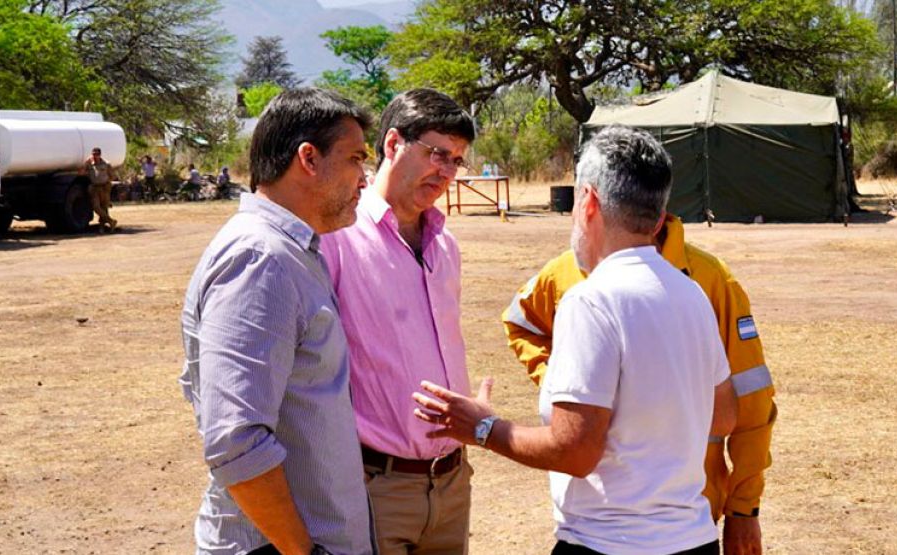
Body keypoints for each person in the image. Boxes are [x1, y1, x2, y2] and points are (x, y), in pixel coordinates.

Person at [412, 125, 738, 555]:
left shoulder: (591, 300)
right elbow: (724, 416)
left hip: (608, 543)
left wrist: (483, 427)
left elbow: (575, 452)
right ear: (659, 217)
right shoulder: (689, 291)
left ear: (587, 202)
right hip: (692, 539)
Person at [179, 87, 376, 555]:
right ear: (308, 158)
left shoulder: (292, 250)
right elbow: (237, 441)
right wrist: (301, 551)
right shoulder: (260, 258)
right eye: (355, 159)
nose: (364, 179)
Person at [502, 236, 776, 552]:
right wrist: (560, 382)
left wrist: (744, 507)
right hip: (598, 529)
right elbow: (521, 321)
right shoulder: (567, 271)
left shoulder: (708, 278)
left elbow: (750, 399)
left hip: (686, 521)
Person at [319, 88, 476, 555]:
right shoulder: (338, 238)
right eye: (436, 154)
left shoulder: (445, 245)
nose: (446, 171)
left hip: (451, 481)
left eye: (456, 161)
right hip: (376, 487)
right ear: (392, 145)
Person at [84, 147, 118, 232]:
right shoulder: (89, 164)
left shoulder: (106, 164)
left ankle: (102, 227)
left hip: (104, 188)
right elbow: (81, 172)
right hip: (95, 188)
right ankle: (111, 221)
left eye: (97, 154)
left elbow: (112, 176)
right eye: (93, 154)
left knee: (104, 207)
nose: (95, 156)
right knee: (96, 207)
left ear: (100, 155)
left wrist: (107, 183)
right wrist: (86, 163)